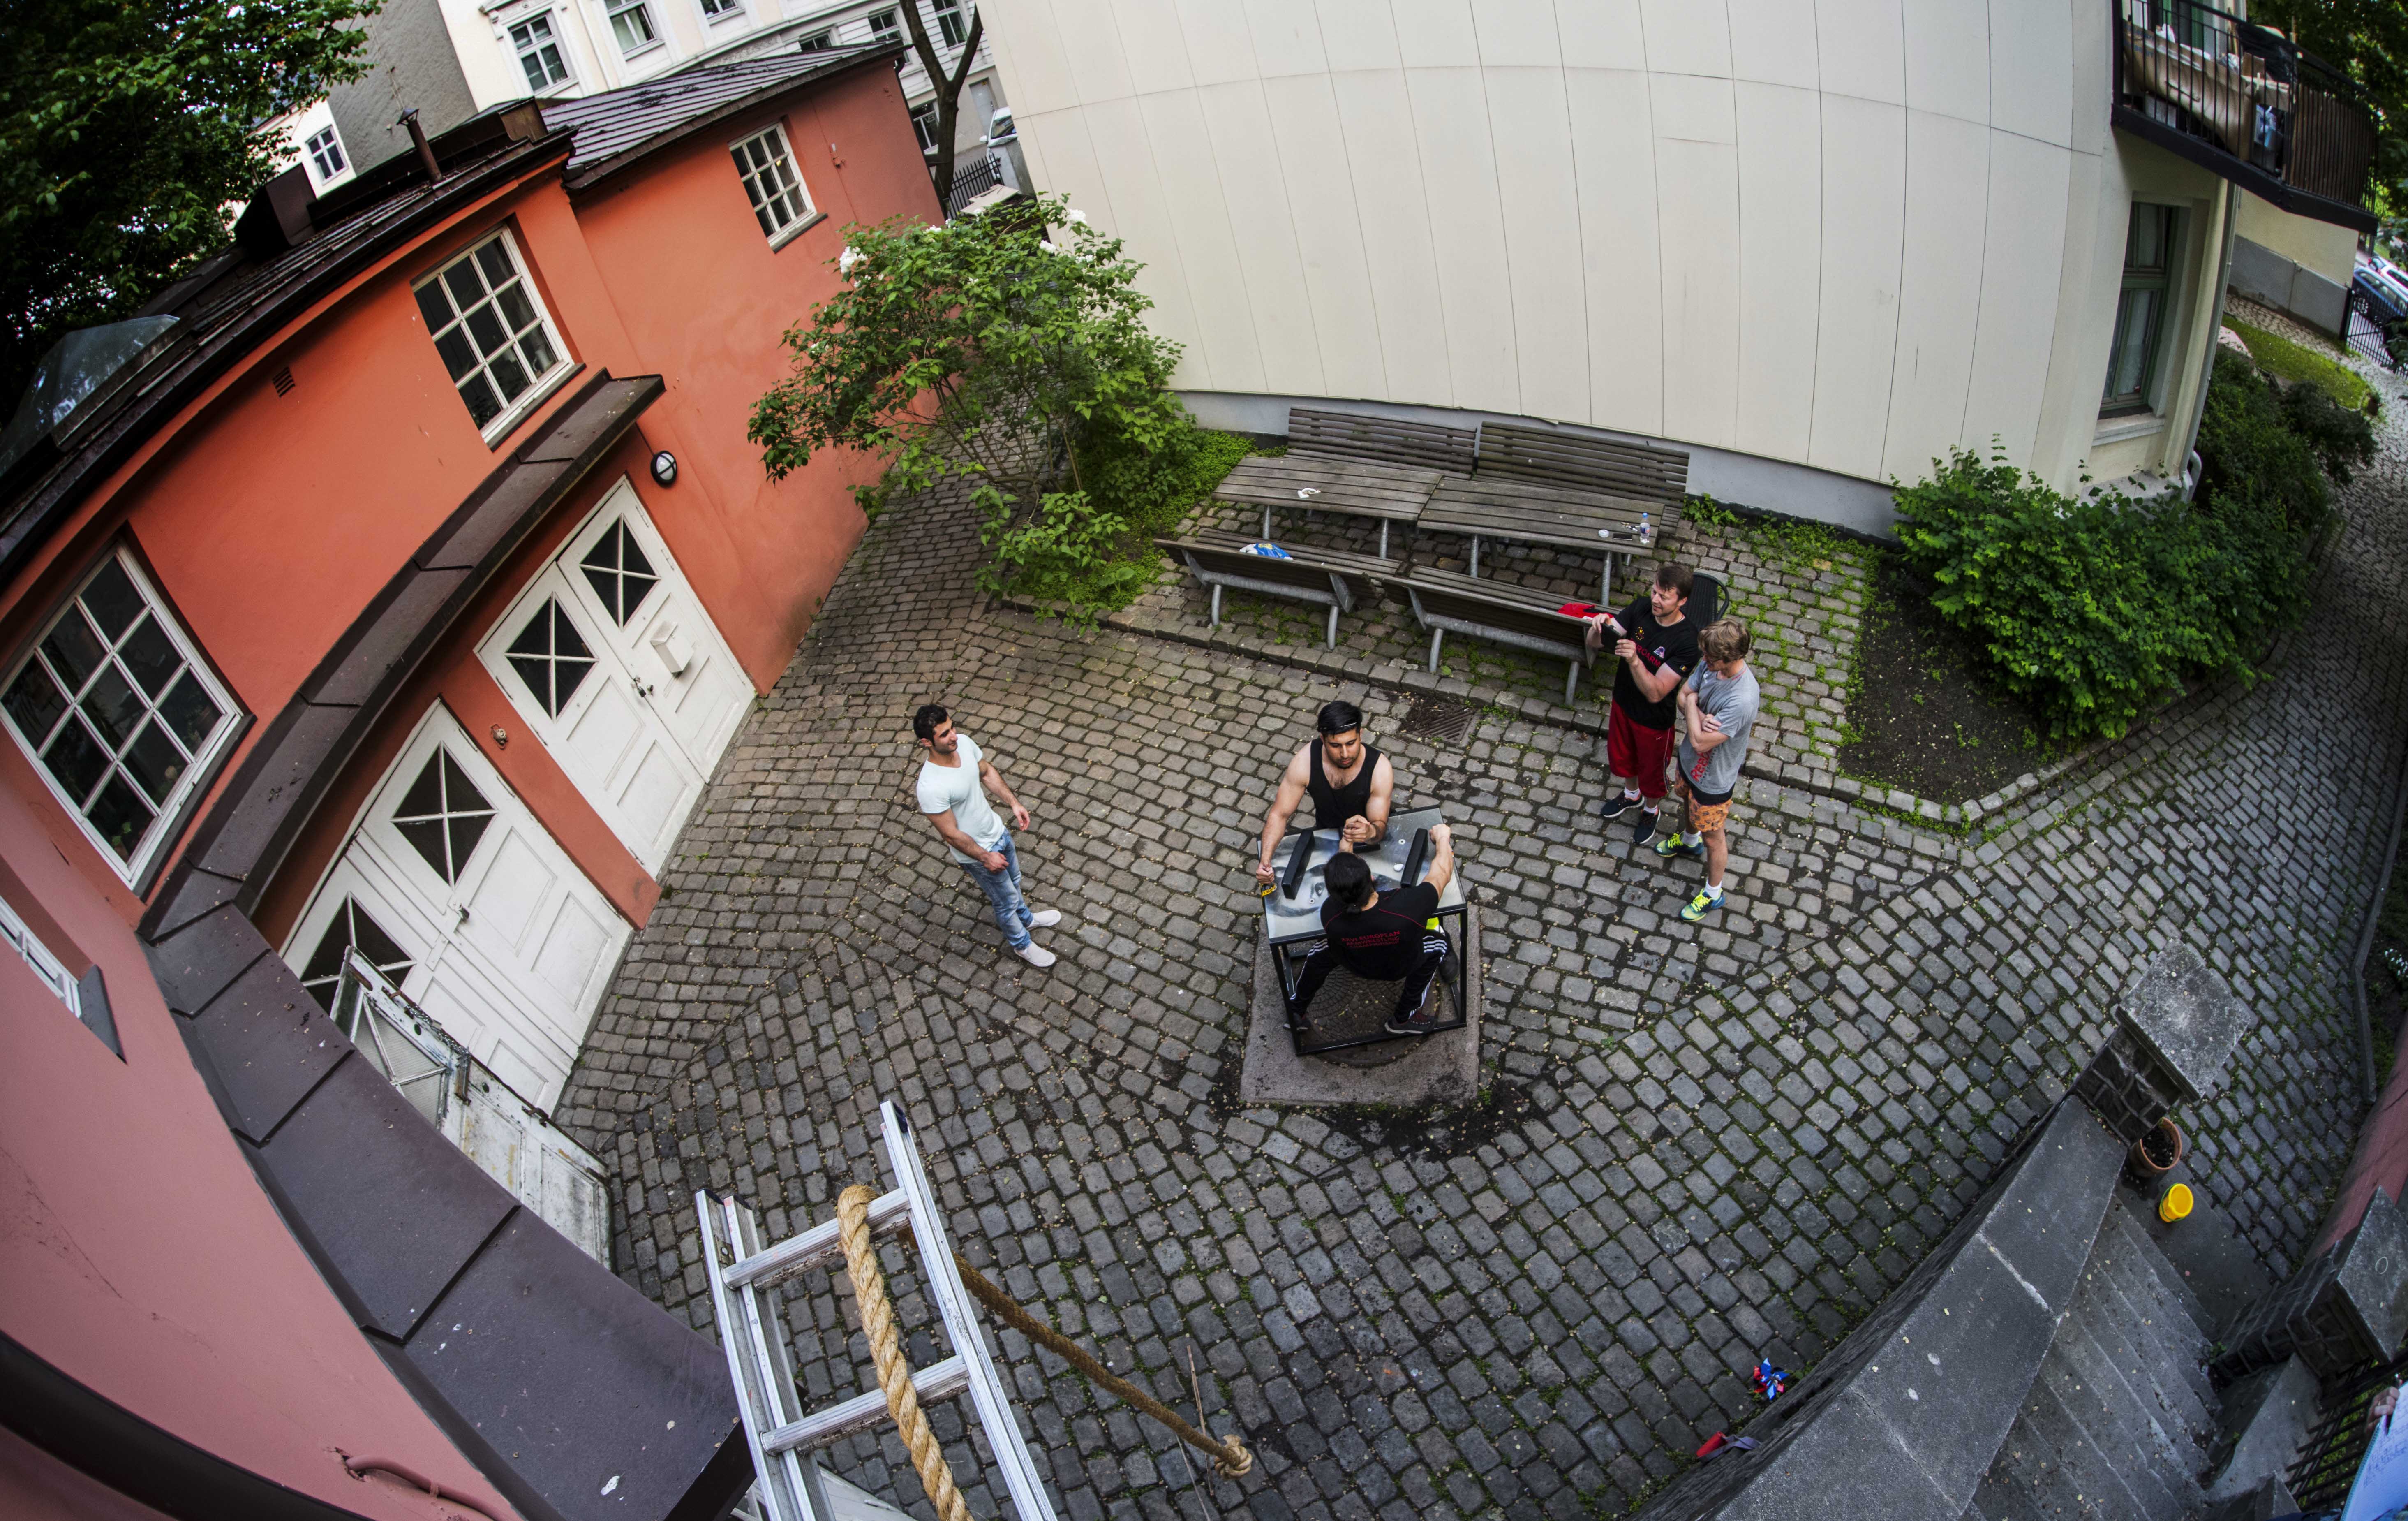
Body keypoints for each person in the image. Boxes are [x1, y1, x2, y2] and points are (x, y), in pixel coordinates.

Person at [913, 704, 1063, 967]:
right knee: (1004, 902)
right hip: (979, 853)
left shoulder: (965, 744)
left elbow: (986, 772)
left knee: (1015, 881)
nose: (954, 736)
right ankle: (1022, 945)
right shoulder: (931, 786)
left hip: (998, 831)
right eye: (945, 734)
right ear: (927, 742)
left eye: (952, 727)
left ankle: (1027, 919)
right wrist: (986, 857)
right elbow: (950, 834)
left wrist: (1013, 803)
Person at [1287, 825, 1457, 1036]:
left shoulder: (1330, 913)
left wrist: (1345, 849)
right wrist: (1442, 838)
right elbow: (1442, 872)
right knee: (1439, 943)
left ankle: (1297, 1011)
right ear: (1373, 879)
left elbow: (1344, 889)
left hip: (1354, 963)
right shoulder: (1410, 906)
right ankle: (1404, 1019)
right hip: (1400, 966)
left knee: (1321, 950)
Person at [1585, 563, 1702, 843]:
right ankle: (1631, 795)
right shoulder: (1640, 608)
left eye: (1664, 596)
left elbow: (1656, 693)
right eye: (1654, 592)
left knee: (1651, 772)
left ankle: (1651, 810)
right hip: (1623, 704)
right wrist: (1598, 627)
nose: (1656, 600)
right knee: (1624, 759)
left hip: (1653, 721)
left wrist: (1635, 659)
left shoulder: (1688, 642)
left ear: (1682, 601)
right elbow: (1593, 644)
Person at [1655, 620, 1760, 922]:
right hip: (1690, 764)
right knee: (1687, 804)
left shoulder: (1742, 699)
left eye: (1711, 659)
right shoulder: (1710, 661)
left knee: (1714, 836)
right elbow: (1681, 696)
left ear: (1730, 658)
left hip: (1714, 779)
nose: (1704, 662)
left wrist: (1692, 705)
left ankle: (1714, 893)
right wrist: (1694, 708)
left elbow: (1701, 741)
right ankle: (1689, 842)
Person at [1255, 700, 1395, 886]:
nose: (1345, 754)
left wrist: (1369, 831)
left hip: (1370, 841)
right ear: (1323, 739)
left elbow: (1380, 827)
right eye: (1336, 746)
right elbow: (1280, 814)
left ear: (1361, 734)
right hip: (1327, 835)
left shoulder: (1380, 768)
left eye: (1351, 743)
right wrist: (1265, 860)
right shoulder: (1305, 762)